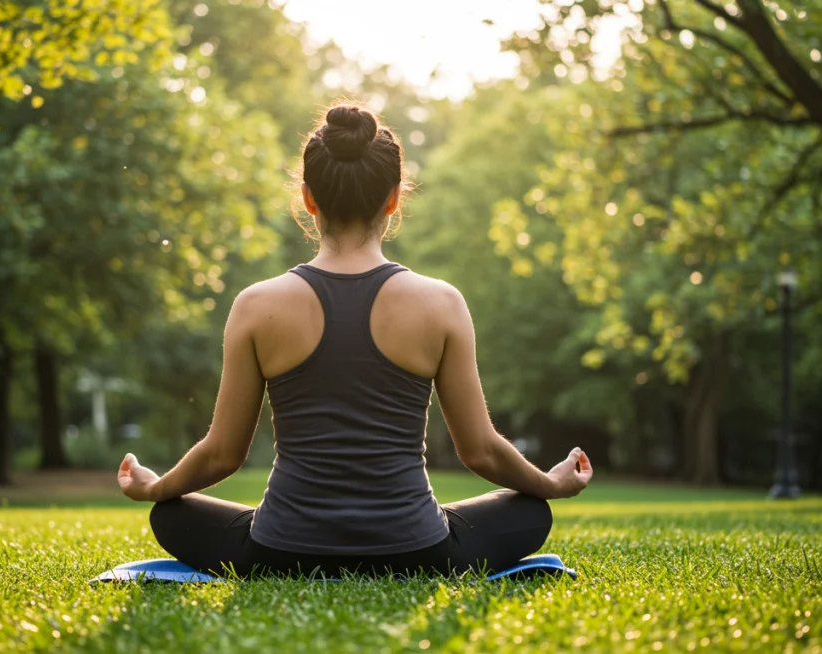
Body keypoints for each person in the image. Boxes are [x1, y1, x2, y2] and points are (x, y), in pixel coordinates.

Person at [117, 103, 593, 579]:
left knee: (173, 515)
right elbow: (481, 451)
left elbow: (223, 453)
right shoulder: (442, 302)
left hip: (279, 550)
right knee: (530, 511)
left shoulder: (256, 304)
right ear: (392, 199)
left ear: (307, 198)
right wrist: (547, 484)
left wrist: (158, 489)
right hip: (419, 549)